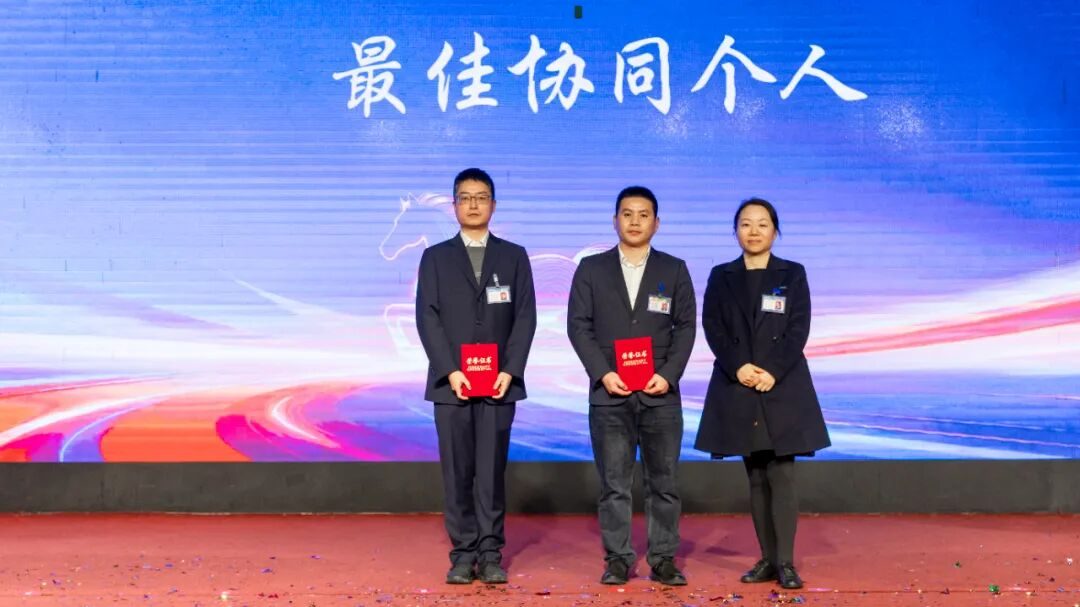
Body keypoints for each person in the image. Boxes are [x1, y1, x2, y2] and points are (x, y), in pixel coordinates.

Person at [693, 198, 830, 590]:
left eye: (762, 224)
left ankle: (785, 562)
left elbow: (798, 327)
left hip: (782, 384)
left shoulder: (792, 273)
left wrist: (773, 371)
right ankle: (767, 559)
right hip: (739, 382)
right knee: (754, 475)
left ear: (775, 230)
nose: (753, 231)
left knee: (781, 474)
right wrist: (738, 366)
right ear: (736, 230)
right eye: (745, 224)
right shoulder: (721, 275)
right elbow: (713, 326)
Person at [567, 186, 696, 586]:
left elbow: (686, 327)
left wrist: (668, 374)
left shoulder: (674, 269)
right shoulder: (591, 269)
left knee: (664, 484)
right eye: (627, 214)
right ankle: (618, 559)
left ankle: (663, 559)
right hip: (610, 394)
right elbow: (578, 326)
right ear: (615, 221)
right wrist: (603, 373)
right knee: (614, 485)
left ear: (657, 223)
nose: (635, 221)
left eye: (644, 215)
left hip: (661, 395)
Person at [415, 168, 537, 584]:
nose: (473, 204)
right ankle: (463, 554)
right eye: (465, 197)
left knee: (490, 472)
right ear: (454, 206)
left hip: (499, 384)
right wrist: (450, 370)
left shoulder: (514, 256)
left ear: (493, 205)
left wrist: (510, 370)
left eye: (481, 197)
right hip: (451, 386)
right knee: (457, 472)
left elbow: (525, 317)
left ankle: (490, 553)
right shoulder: (435, 257)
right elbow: (427, 317)